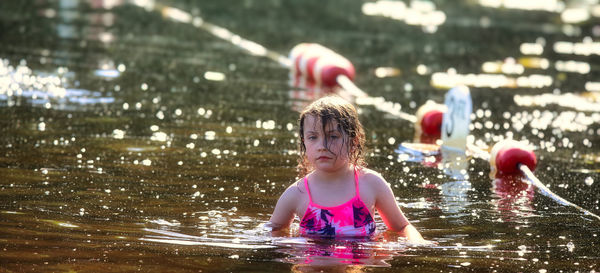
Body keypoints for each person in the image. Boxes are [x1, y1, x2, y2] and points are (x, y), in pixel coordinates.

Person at [269, 96, 427, 243]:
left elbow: (401, 227)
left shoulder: (371, 184)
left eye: (333, 136)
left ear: (353, 142)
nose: (322, 147)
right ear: (304, 142)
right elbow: (272, 231)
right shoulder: (296, 194)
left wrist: (418, 242)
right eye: (313, 137)